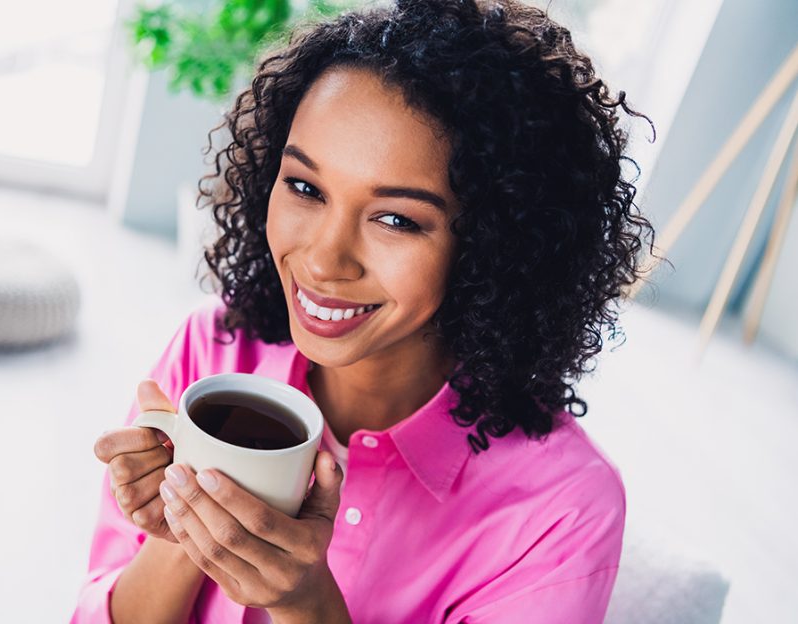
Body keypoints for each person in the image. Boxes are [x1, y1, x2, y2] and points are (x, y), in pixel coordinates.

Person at [72, 0, 662, 621]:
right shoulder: (214, 351)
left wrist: (304, 604)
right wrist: (185, 529)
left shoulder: (561, 509)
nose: (325, 261)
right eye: (305, 187)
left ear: (495, 244)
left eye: (396, 220)